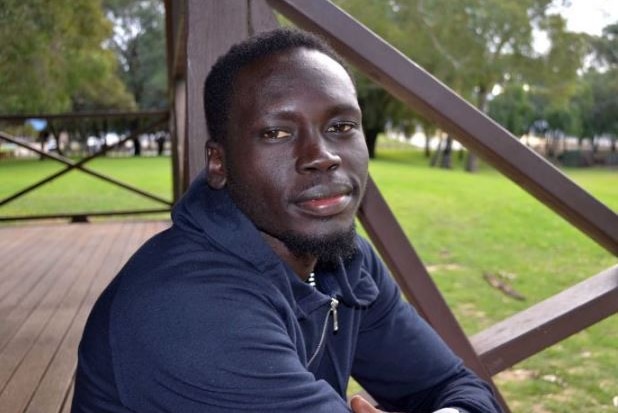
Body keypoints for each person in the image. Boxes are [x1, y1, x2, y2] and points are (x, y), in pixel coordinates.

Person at [72, 28, 502, 413]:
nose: (322, 156)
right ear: (219, 163)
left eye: (341, 125)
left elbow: (459, 388)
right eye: (277, 133)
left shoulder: (346, 261)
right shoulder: (188, 311)